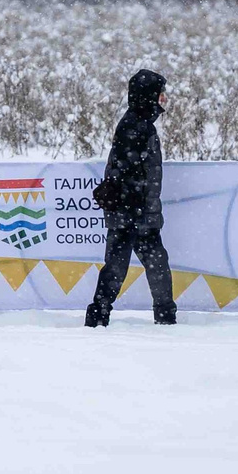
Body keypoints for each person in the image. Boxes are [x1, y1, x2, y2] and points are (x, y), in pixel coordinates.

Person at [85, 68, 176, 326]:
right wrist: (136, 212)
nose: (164, 99)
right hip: (131, 216)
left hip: (137, 215)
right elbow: (123, 173)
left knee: (148, 265)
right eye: (161, 94)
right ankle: (99, 318)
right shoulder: (134, 126)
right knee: (119, 268)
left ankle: (164, 316)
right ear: (149, 96)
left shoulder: (140, 124)